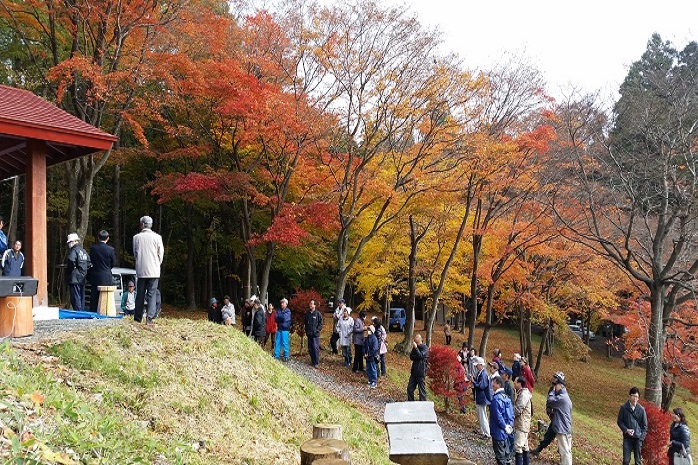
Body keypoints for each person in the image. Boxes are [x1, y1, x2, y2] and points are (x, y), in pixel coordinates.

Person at [532, 372, 573, 465]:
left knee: (565, 449)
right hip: (558, 423)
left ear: (561, 385)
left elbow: (550, 401)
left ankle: (565, 463)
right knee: (563, 447)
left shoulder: (561, 397)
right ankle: (562, 462)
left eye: (555, 383)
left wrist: (552, 392)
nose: (553, 386)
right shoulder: (563, 396)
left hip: (562, 426)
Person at [133, 216, 164, 325]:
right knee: (152, 294)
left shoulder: (136, 237)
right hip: (154, 270)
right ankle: (149, 318)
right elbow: (161, 254)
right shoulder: (157, 237)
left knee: (140, 294)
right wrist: (157, 264)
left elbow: (135, 253)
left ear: (142, 224)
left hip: (141, 270)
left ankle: (137, 317)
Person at [618, 386, 647, 465]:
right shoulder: (624, 408)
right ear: (630, 396)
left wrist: (641, 438)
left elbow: (644, 426)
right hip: (627, 438)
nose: (635, 398)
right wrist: (626, 430)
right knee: (626, 460)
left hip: (638, 439)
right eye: (633, 396)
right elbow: (620, 422)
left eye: (637, 397)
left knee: (638, 461)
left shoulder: (641, 409)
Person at [490, 375, 515, 465]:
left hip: (498, 431)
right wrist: (509, 426)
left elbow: (497, 416)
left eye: (494, 383)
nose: (492, 384)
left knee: (500, 457)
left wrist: (504, 426)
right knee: (507, 455)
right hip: (506, 432)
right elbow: (511, 414)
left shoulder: (496, 399)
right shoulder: (507, 398)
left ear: (498, 384)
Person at [88, 230, 116, 312]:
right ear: (108, 238)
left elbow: (91, 261)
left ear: (98, 238)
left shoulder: (93, 248)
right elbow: (113, 262)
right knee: (106, 296)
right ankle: (106, 311)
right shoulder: (110, 249)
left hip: (95, 274)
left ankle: (93, 313)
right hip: (106, 275)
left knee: (94, 296)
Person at [65, 233, 91, 312]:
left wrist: (70, 270)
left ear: (72, 242)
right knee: (81, 297)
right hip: (83, 277)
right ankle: (82, 312)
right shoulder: (83, 251)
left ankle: (78, 313)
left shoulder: (73, 251)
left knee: (75, 297)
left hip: (75, 278)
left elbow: (71, 261)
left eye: (69, 242)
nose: (69, 244)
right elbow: (89, 263)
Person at [514, 376, 533, 465]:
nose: (514, 383)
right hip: (523, 423)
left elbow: (518, 409)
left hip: (522, 424)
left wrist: (510, 415)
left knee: (518, 447)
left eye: (515, 382)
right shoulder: (522, 393)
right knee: (525, 446)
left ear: (520, 383)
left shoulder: (524, 395)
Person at [473, 357, 492, 438]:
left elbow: (481, 386)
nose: (476, 367)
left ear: (481, 365)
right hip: (479, 397)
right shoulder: (480, 373)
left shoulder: (483, 374)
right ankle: (482, 431)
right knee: (480, 415)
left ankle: (487, 433)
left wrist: (473, 381)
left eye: (477, 365)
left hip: (482, 398)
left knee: (483, 416)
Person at [407, 333, 429, 401]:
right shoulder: (415, 347)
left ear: (420, 339)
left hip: (421, 372)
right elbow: (411, 356)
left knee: (421, 390)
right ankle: (410, 402)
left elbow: (421, 356)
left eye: (416, 337)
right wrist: (416, 350)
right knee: (409, 388)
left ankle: (422, 405)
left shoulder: (425, 347)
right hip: (414, 372)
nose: (414, 339)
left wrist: (416, 348)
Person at [304, 299, 323, 367]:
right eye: (310, 303)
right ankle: (312, 361)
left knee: (315, 348)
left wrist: (317, 330)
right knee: (310, 348)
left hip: (315, 335)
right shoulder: (307, 313)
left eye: (312, 304)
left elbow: (321, 323)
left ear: (315, 305)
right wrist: (306, 331)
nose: (310, 305)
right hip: (309, 334)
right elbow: (305, 323)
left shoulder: (318, 314)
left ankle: (316, 362)